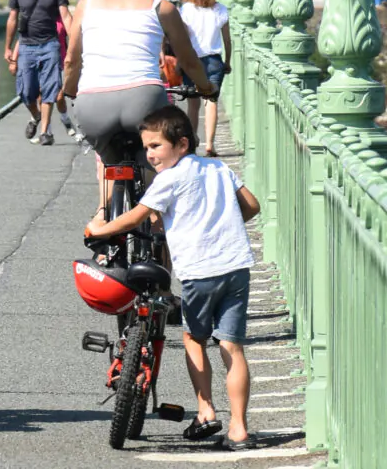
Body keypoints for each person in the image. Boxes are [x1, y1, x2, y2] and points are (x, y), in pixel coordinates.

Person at [85, 106, 260, 451]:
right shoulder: (218, 168)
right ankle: (239, 428)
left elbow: (136, 218)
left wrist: (99, 229)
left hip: (200, 271)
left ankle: (206, 411)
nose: (150, 155)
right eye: (147, 147)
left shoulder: (168, 180)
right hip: (236, 265)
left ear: (181, 144)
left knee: (195, 339)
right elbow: (251, 206)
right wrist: (222, 222)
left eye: (156, 147)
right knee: (232, 346)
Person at [60, 0, 214, 178]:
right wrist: (206, 88)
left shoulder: (86, 4)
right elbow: (188, 60)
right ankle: (155, 211)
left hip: (93, 105)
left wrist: (69, 90)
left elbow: (71, 60)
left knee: (107, 159)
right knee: (163, 154)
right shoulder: (162, 8)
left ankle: (103, 213)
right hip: (144, 100)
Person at [4, 0, 74, 145]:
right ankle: (35, 117)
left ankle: (45, 133)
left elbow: (66, 17)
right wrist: (8, 48)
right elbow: (12, 19)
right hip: (26, 46)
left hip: (50, 45)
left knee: (50, 88)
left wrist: (76, 43)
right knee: (26, 92)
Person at [179, 0, 232, 156]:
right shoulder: (221, 10)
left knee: (193, 105)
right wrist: (227, 61)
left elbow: (183, 38)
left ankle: (192, 142)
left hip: (192, 60)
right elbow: (227, 40)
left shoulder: (186, 10)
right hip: (213, 60)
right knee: (211, 102)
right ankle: (210, 144)